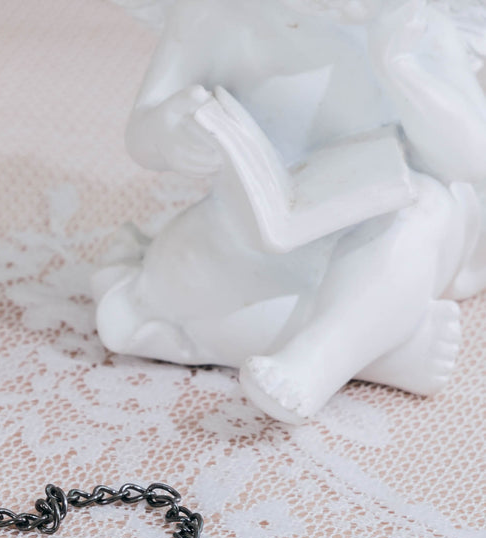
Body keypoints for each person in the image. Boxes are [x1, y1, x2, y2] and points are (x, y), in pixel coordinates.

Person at [95, 0, 486, 422]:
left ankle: (315, 361)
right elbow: (143, 130)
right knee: (171, 275)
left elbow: (470, 162)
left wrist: (401, 68)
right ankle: (384, 349)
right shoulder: (212, 14)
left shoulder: (413, 27)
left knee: (423, 215)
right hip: (257, 221)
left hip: (386, 218)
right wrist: (170, 132)